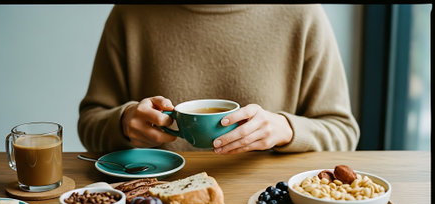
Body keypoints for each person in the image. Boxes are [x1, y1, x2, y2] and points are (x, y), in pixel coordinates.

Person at [78, 4, 360, 155]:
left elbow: (343, 132)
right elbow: (90, 122)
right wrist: (124, 122)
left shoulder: (303, 13)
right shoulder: (129, 13)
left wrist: (287, 129)